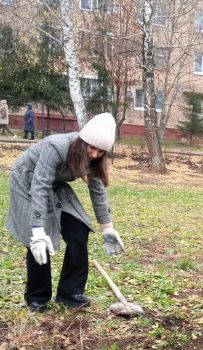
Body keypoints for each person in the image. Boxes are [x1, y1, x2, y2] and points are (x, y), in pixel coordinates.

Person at [6, 112, 125, 312]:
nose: (95, 154)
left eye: (101, 151)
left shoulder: (94, 160)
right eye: (92, 147)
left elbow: (98, 191)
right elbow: (40, 185)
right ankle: (37, 297)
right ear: (83, 141)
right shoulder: (57, 146)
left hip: (56, 185)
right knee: (39, 240)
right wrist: (37, 228)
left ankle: (69, 293)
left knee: (79, 229)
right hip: (27, 181)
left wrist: (108, 228)